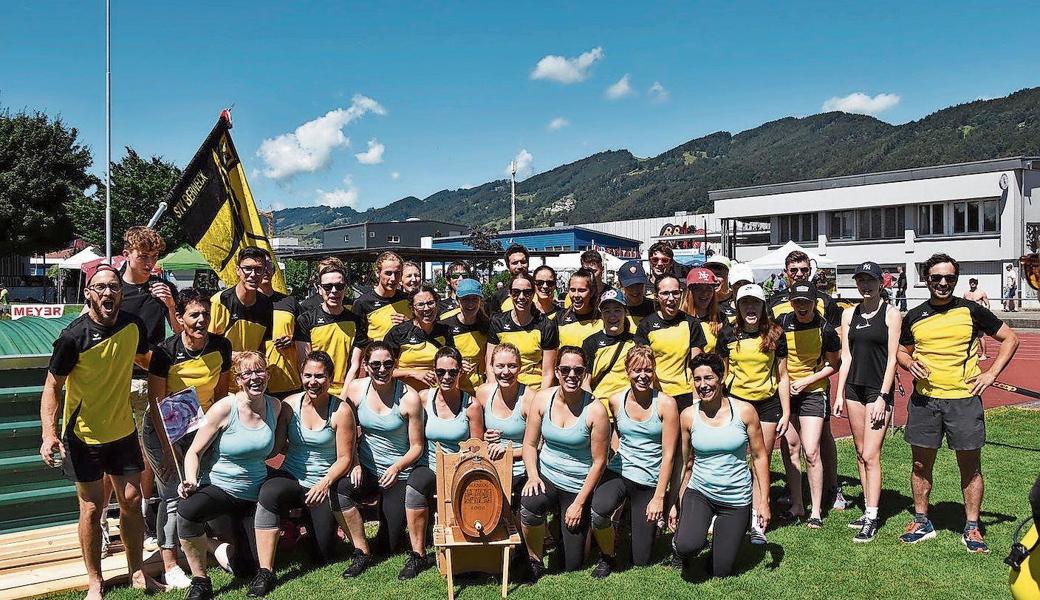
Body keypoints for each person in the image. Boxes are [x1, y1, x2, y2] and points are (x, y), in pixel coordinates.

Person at [40, 264, 157, 599]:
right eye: (101, 287)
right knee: (91, 508)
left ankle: (137, 572)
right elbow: (52, 387)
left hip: (122, 431)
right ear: (89, 294)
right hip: (83, 436)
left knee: (132, 500)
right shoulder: (72, 338)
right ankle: (95, 580)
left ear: (122, 293)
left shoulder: (133, 326)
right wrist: (49, 433)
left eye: (115, 287)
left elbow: (146, 360)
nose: (109, 293)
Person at [897, 253, 1019, 552]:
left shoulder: (971, 310)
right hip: (925, 402)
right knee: (920, 464)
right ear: (926, 279)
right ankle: (922, 520)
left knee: (970, 466)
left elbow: (1010, 339)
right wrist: (907, 362)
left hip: (963, 401)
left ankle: (973, 527)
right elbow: (901, 349)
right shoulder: (914, 315)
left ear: (956, 279)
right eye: (936, 277)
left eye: (949, 278)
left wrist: (990, 374)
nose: (942, 283)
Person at [177, 351, 288, 600]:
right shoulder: (225, 408)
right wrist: (191, 480)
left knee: (245, 569)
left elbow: (280, 445)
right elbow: (194, 452)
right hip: (221, 489)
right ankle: (201, 581)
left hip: (254, 497)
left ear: (268, 374)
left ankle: (211, 544)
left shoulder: (275, 406)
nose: (254, 377)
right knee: (187, 511)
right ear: (238, 380)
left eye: (259, 371)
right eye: (247, 373)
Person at [145, 288, 232, 588]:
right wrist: (170, 454)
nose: (201, 320)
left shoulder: (222, 346)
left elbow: (221, 394)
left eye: (205, 314)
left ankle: (207, 543)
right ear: (179, 318)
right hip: (164, 432)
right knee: (173, 493)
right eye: (193, 315)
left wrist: (217, 432)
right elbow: (155, 406)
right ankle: (170, 564)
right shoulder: (164, 352)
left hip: (201, 428)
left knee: (206, 485)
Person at [249, 351, 356, 596]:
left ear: (330, 378)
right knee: (269, 491)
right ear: (301, 376)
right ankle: (265, 571)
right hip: (292, 477)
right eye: (308, 375)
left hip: (322, 484)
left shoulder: (341, 410)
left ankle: (308, 529)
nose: (313, 381)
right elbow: (276, 446)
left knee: (323, 554)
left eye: (320, 376)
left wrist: (324, 484)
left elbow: (345, 459)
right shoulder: (288, 405)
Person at [673, 353, 771, 578]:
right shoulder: (688, 416)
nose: (702, 385)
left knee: (721, 571)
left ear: (721, 378)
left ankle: (722, 540)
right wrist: (673, 503)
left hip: (736, 498)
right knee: (687, 545)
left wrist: (763, 502)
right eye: (697, 379)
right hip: (701, 492)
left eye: (708, 378)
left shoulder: (745, 412)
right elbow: (684, 463)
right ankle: (688, 541)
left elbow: (759, 457)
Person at [520, 347, 611, 579]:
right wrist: (533, 475)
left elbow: (599, 462)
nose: (572, 375)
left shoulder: (596, 411)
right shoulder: (542, 399)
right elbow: (529, 445)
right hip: (548, 476)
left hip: (577, 485)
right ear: (557, 371)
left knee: (573, 564)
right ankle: (535, 560)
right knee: (530, 503)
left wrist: (579, 503)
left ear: (585, 373)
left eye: (578, 370)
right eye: (566, 369)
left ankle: (571, 526)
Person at [335, 342, 424, 577]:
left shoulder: (409, 398)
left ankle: (387, 536)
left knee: (389, 544)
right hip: (365, 468)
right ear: (365, 365)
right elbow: (345, 426)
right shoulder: (355, 389)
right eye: (375, 364)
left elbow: (417, 446)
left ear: (395, 364)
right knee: (340, 491)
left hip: (399, 471)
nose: (382, 369)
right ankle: (361, 551)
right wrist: (353, 461)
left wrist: (397, 467)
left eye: (388, 364)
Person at [116, 227, 180, 547]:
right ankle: (109, 518)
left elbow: (182, 335)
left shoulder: (163, 287)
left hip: (152, 381)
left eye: (154, 257)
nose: (149, 262)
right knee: (111, 451)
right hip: (115, 382)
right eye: (143, 256)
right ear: (127, 252)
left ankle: (144, 513)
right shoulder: (111, 287)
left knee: (147, 453)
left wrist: (170, 307)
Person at [590, 346, 679, 574]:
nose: (643, 376)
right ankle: (607, 555)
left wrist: (659, 498)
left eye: (648, 370)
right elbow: (618, 432)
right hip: (620, 471)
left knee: (641, 560)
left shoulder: (666, 404)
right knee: (599, 509)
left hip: (648, 479)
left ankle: (638, 528)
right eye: (637, 370)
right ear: (627, 371)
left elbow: (669, 454)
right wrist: (614, 454)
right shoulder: (615, 400)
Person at [768, 250, 846, 511]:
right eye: (794, 270)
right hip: (785, 383)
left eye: (803, 269)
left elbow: (835, 350)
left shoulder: (826, 302)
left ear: (810, 270)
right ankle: (794, 490)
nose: (799, 273)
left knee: (822, 437)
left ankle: (833, 488)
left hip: (815, 381)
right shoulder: (775, 303)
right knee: (789, 439)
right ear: (786, 271)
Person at [401, 347, 485, 579]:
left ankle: (468, 545)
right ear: (434, 373)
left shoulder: (472, 406)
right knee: (414, 487)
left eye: (452, 372)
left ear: (460, 373)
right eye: (441, 372)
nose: (446, 377)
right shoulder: (424, 398)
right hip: (430, 465)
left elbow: (476, 446)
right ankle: (418, 554)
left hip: (460, 467)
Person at [715, 283, 789, 545]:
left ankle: (759, 518)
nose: (750, 308)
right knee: (731, 458)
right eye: (745, 303)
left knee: (762, 461)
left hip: (767, 405)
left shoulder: (776, 334)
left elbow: (782, 376)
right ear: (738, 306)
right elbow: (721, 375)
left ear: (763, 306)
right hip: (737, 404)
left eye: (755, 303)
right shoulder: (726, 335)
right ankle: (726, 512)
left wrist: (786, 411)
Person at [832, 262, 900, 542]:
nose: (865, 285)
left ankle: (872, 516)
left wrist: (884, 396)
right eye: (861, 280)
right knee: (860, 453)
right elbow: (846, 357)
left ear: (880, 282)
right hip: (854, 390)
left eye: (870, 280)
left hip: (876, 391)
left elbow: (893, 359)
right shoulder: (850, 314)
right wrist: (838, 393)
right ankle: (868, 509)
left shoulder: (892, 314)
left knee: (872, 455)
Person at [776, 281, 840, 528]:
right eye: (797, 302)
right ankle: (797, 504)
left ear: (815, 303)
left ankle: (815, 511)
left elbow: (834, 365)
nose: (802, 306)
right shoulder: (781, 324)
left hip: (813, 392)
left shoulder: (826, 330)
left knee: (811, 450)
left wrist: (806, 381)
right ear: (791, 302)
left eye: (807, 302)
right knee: (791, 447)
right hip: (786, 393)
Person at [294, 261, 368, 399]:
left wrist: (344, 397)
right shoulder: (306, 320)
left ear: (346, 288)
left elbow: (355, 365)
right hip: (315, 390)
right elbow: (304, 364)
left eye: (339, 286)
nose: (334, 291)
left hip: (346, 392)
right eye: (328, 287)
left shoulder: (356, 320)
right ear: (319, 289)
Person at [634, 274, 707, 411]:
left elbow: (697, 364)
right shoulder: (646, 325)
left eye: (675, 293)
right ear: (656, 296)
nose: (671, 298)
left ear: (682, 294)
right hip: (656, 395)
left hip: (685, 394)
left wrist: (697, 399)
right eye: (665, 293)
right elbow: (643, 364)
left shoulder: (692, 324)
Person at [476, 343, 537, 503]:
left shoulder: (530, 399)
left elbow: (538, 445)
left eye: (512, 366)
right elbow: (474, 435)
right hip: (487, 465)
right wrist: (484, 436)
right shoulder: (483, 393)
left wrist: (507, 451)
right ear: (491, 367)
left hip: (520, 469)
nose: (505, 372)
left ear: (520, 367)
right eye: (500, 366)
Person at [487, 273, 560, 390]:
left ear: (533, 294)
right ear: (510, 293)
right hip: (503, 389)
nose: (521, 297)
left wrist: (539, 401)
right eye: (516, 292)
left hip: (533, 391)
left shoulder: (546, 325)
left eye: (527, 292)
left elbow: (548, 373)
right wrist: (495, 395)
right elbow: (490, 366)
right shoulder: (498, 322)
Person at [386, 285, 455, 390]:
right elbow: (385, 371)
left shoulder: (445, 331)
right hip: (404, 394)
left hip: (435, 393)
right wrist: (414, 373)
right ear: (412, 308)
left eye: (430, 303)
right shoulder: (398, 332)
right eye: (420, 305)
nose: (426, 308)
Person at [210, 247, 275, 357]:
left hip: (250, 372)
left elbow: (263, 346)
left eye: (258, 269)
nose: (253, 274)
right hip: (223, 371)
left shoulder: (266, 304)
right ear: (238, 270)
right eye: (247, 268)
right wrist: (239, 357)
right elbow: (208, 345)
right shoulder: (220, 301)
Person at [583, 290, 636, 410]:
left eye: (617, 310)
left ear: (625, 312)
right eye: (607, 311)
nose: (612, 316)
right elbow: (585, 381)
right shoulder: (591, 343)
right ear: (601, 315)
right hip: (600, 408)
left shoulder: (636, 342)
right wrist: (592, 409)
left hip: (628, 410)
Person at [260, 256, 302, 399]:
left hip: (288, 383)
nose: (265, 269)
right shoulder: (242, 304)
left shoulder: (289, 302)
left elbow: (305, 336)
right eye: (260, 265)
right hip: (254, 382)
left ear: (274, 270)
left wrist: (292, 340)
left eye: (268, 265)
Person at [439, 278, 489, 394]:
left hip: (478, 389)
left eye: (474, 299)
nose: (470, 304)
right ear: (457, 301)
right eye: (465, 299)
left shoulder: (487, 325)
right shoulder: (445, 324)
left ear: (480, 301)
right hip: (451, 388)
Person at [352, 251, 411, 342]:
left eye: (397, 273)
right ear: (377, 273)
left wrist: (408, 323)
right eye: (388, 273)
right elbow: (359, 341)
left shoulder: (408, 299)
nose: (393, 279)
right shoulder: (363, 303)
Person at [554, 268, 602, 349]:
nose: (576, 295)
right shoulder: (559, 318)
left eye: (581, 290)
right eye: (572, 290)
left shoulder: (602, 319)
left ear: (592, 292)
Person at [684, 267, 725, 352]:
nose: (704, 293)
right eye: (699, 289)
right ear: (690, 292)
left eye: (709, 289)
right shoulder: (680, 319)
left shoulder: (721, 319)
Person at [489, 244, 531, 314]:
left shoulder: (539, 291)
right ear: (508, 266)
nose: (519, 266)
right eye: (515, 263)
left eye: (523, 262)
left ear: (528, 263)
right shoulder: (499, 296)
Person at [617, 259, 654, 328]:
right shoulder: (616, 309)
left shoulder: (655, 308)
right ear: (621, 286)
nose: (635, 290)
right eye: (630, 286)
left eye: (639, 284)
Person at [963, 278, 992, 361]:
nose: (973, 283)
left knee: (980, 336)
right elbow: (963, 304)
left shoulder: (981, 293)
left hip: (979, 317)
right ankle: (970, 354)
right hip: (969, 317)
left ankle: (983, 354)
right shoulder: (966, 293)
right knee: (968, 336)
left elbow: (987, 304)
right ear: (969, 283)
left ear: (977, 283)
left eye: (974, 282)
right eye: (971, 282)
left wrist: (985, 315)